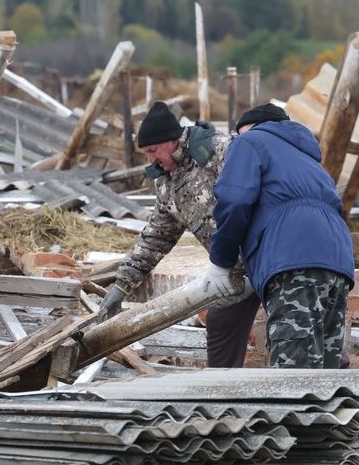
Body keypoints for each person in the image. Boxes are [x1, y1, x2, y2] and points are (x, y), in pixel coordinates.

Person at [99, 100, 260, 369]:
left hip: (267, 255)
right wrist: (122, 286)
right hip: (233, 271)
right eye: (145, 154)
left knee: (290, 323)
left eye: (153, 151)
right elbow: (156, 236)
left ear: (173, 140)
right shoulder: (166, 183)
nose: (150, 160)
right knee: (220, 322)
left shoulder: (219, 151)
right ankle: (222, 385)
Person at [205, 103, 355, 369]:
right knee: (326, 375)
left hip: (294, 258)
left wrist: (221, 261)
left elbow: (235, 199)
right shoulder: (308, 159)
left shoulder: (249, 141)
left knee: (292, 376)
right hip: (338, 261)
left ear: (251, 129)